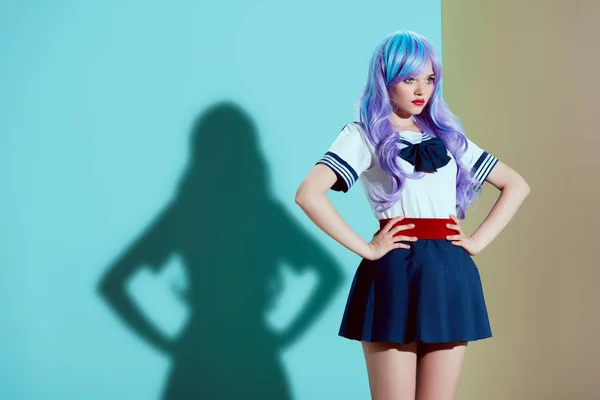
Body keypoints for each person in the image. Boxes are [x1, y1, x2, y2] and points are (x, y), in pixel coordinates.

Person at [295, 30, 530, 400]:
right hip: (395, 271)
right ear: (385, 80)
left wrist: (477, 242)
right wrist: (367, 248)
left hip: (450, 273)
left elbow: (517, 184)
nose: (422, 89)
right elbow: (308, 194)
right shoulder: (364, 135)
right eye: (409, 79)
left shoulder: (448, 137)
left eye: (430, 79)